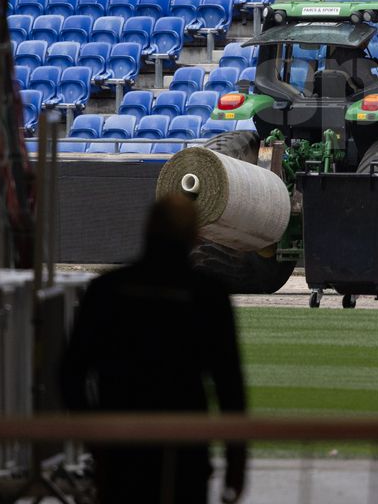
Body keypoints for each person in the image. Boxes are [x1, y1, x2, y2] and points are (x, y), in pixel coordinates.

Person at [60, 194, 247, 503]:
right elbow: (230, 386)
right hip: (186, 448)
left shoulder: (106, 290)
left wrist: (95, 439)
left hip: (119, 447)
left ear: (146, 228)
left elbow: (70, 373)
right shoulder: (209, 295)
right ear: (194, 237)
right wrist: (236, 464)